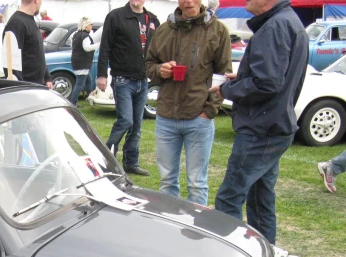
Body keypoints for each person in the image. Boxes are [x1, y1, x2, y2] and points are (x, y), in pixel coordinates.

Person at [210, 0, 308, 244]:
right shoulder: (288, 21)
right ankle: (266, 255)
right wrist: (242, 76)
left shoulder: (274, 26)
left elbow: (268, 83)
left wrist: (227, 89)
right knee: (260, 197)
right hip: (275, 124)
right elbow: (276, 76)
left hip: (261, 129)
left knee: (229, 198)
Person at [145, 0, 231, 206]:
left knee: (197, 183)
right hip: (166, 117)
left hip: (198, 118)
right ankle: (170, 230)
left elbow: (224, 74)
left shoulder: (217, 30)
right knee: (167, 182)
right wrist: (160, 70)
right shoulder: (164, 29)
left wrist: (209, 111)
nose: (189, 1)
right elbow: (149, 65)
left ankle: (196, 234)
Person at [97, 0, 159, 176]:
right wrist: (102, 74)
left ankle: (131, 163)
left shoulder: (152, 19)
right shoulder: (115, 16)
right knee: (126, 120)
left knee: (137, 125)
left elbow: (158, 49)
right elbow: (105, 47)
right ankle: (106, 157)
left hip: (143, 80)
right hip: (122, 79)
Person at [2, 0, 53, 87]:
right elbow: (11, 65)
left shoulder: (30, 20)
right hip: (26, 89)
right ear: (36, 1)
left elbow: (37, 52)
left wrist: (47, 78)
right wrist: (22, 89)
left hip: (36, 86)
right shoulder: (16, 23)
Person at [69, 17, 102, 105]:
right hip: (82, 63)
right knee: (79, 83)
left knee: (88, 80)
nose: (92, 26)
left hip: (77, 61)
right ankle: (73, 103)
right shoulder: (85, 36)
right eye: (91, 24)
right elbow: (87, 48)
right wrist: (99, 44)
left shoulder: (76, 34)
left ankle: (90, 97)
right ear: (86, 25)